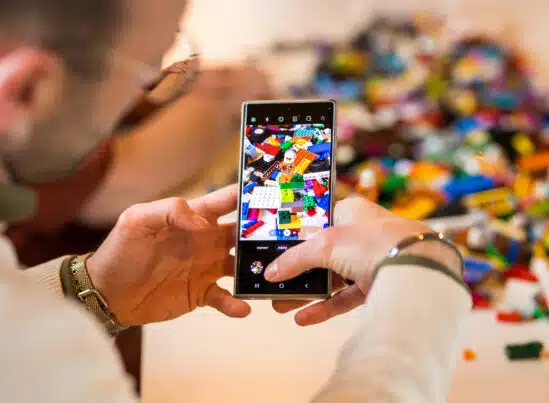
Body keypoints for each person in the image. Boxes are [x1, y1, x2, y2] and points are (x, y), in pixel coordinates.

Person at [0, 1, 470, 402]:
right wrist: (421, 276)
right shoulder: (35, 353)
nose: (152, 95)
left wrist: (89, 289)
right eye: (151, 72)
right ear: (26, 89)